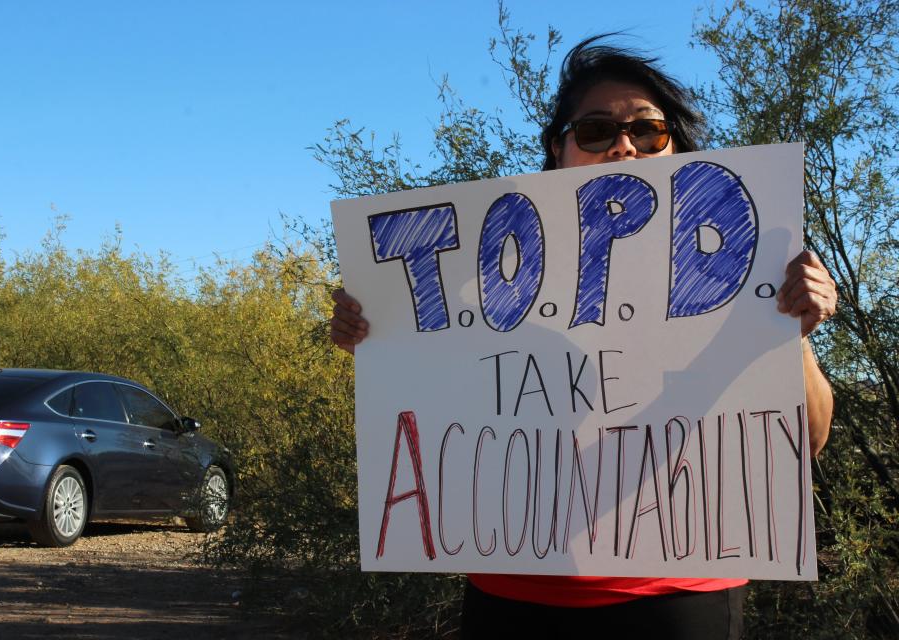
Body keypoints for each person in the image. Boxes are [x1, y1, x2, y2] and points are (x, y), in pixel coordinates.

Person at [330, 36, 836, 638]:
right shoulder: (479, 277)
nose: (624, 145)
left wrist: (790, 334)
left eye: (648, 131)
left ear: (672, 145)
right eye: (596, 130)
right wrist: (380, 336)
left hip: (678, 596)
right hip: (512, 592)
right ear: (558, 148)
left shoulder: (738, 269)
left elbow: (808, 437)